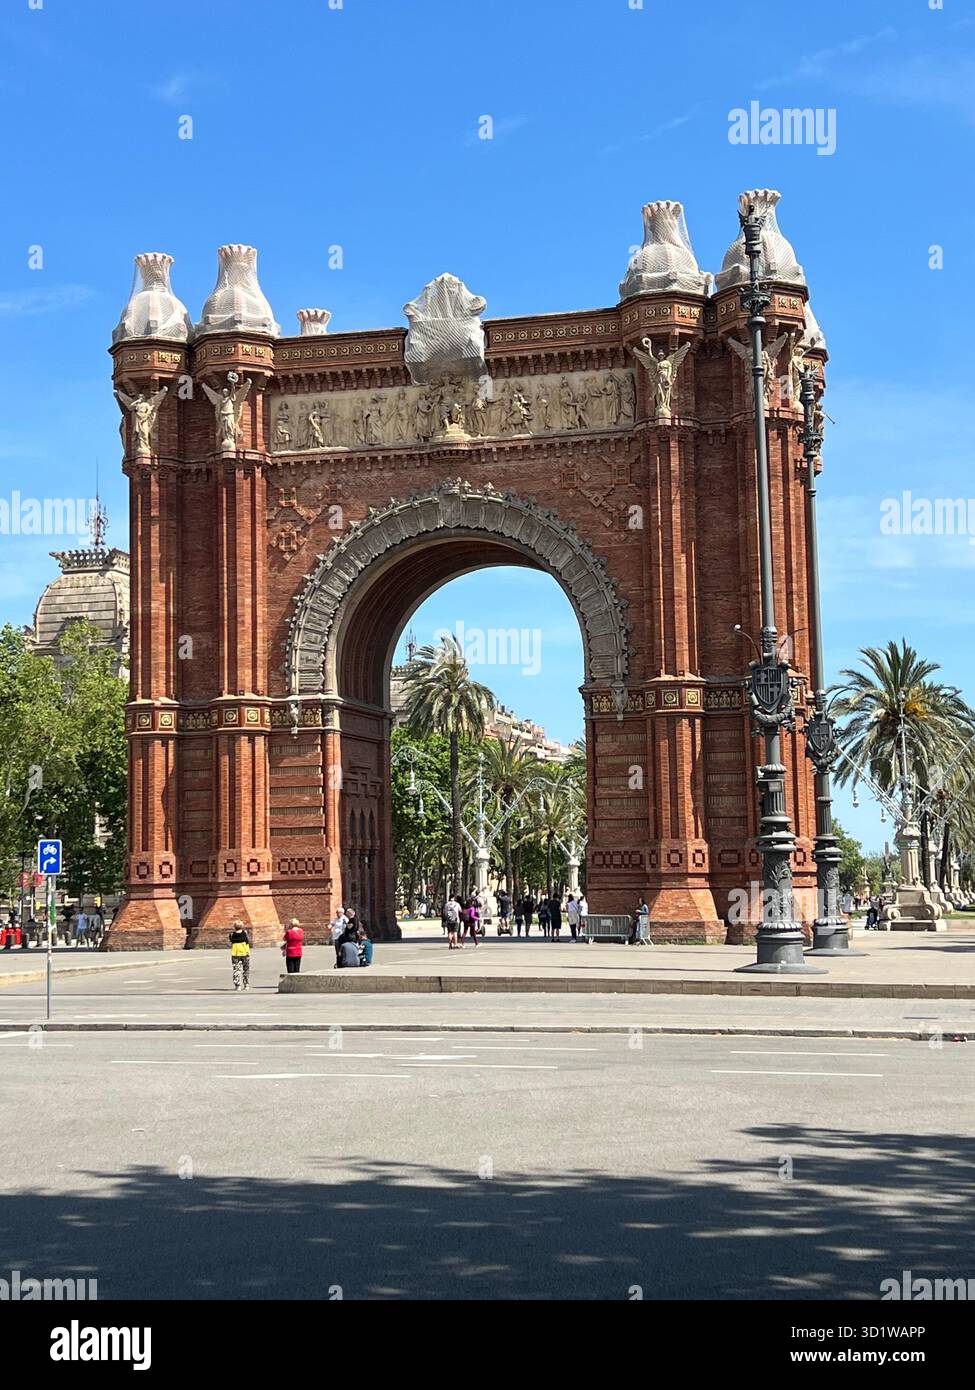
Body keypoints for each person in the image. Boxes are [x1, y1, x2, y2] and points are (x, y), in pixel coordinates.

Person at [229, 920, 251, 990]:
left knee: (236, 970)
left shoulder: (232, 935)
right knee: (246, 970)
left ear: (234, 927)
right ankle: (246, 984)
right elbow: (247, 941)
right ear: (242, 926)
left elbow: (231, 941)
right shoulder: (245, 933)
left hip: (235, 954)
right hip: (245, 953)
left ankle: (237, 985)